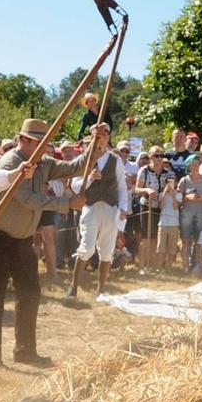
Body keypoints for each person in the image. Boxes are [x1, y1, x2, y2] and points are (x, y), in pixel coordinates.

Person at [0, 117, 82, 367]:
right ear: (21, 140)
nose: (41, 148)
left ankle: (25, 351)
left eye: (44, 143)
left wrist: (97, 145)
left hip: (22, 240)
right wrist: (66, 203)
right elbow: (27, 199)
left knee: (30, 293)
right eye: (36, 142)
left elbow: (76, 167)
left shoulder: (44, 163)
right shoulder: (10, 162)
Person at [70, 121, 126, 293]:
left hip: (110, 208)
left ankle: (101, 289)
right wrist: (90, 179)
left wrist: (123, 208)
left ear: (107, 137)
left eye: (102, 136)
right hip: (90, 207)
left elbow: (122, 187)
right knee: (86, 248)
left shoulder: (115, 160)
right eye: (96, 136)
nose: (99, 139)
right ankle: (74, 287)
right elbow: (75, 186)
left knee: (107, 250)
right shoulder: (84, 159)